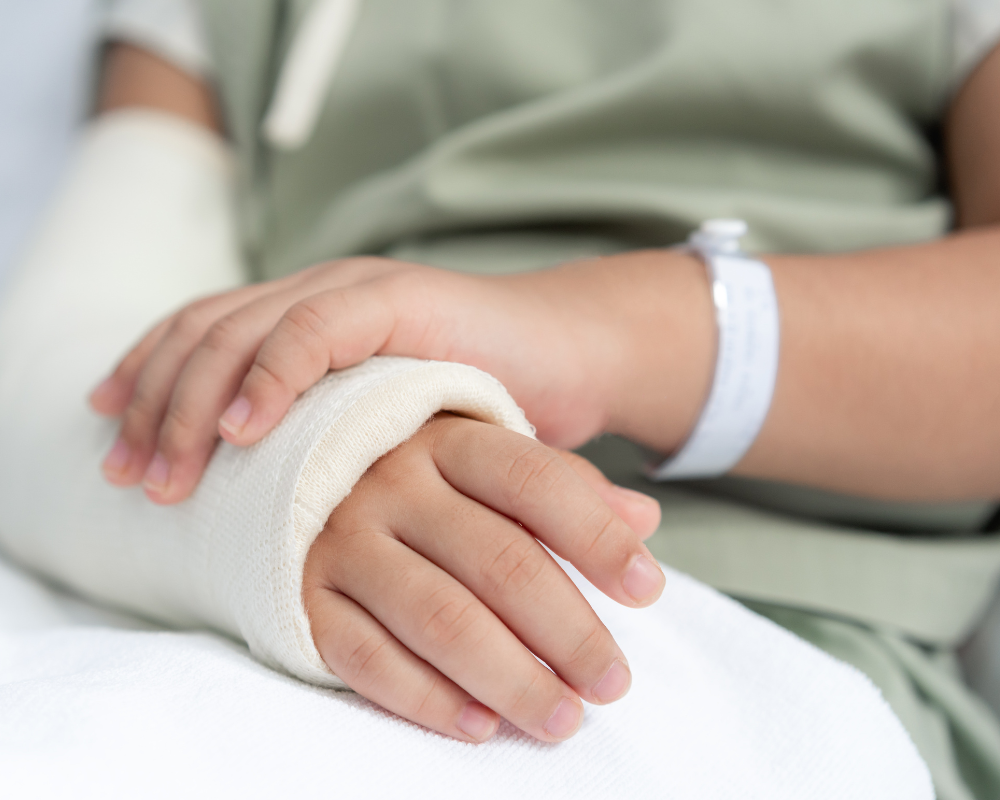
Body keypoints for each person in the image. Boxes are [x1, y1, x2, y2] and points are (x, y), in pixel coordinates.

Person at [6, 0, 1000, 795]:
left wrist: (593, 334)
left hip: (760, 626)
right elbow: (62, 355)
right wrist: (322, 459)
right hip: (270, 587)